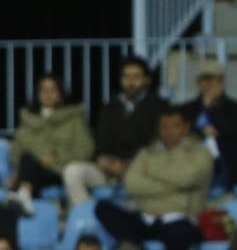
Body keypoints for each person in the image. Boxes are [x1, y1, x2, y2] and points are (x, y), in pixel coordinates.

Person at [94, 110, 213, 250]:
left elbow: (187, 177)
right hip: (147, 219)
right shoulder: (148, 152)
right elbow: (131, 182)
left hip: (179, 219)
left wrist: (149, 172)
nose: (169, 131)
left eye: (174, 126)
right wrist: (171, 187)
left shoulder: (200, 152)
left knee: (180, 235)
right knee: (102, 207)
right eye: (164, 126)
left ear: (185, 128)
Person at [62, 56, 166, 205]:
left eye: (136, 77)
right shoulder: (110, 107)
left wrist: (129, 164)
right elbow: (100, 144)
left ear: (147, 80)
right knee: (73, 171)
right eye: (126, 77)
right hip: (109, 170)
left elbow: (158, 144)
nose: (131, 82)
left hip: (141, 170)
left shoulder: (159, 107)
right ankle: (86, 215)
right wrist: (107, 161)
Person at [7, 74, 93, 216]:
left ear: (60, 95)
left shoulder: (74, 120)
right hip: (34, 171)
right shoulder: (28, 121)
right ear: (37, 94)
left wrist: (56, 157)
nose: (48, 94)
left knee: (28, 163)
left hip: (61, 171)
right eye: (43, 90)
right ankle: (28, 197)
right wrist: (17, 168)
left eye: (53, 90)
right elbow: (16, 151)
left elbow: (85, 150)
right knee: (27, 160)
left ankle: (24, 194)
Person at [178, 59, 237, 193]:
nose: (208, 85)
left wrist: (211, 109)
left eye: (212, 80)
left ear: (221, 81)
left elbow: (232, 132)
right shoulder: (186, 110)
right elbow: (180, 133)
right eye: (203, 80)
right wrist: (201, 132)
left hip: (225, 164)